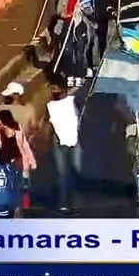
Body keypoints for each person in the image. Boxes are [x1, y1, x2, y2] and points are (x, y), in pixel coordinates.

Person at [45, 80, 82, 213]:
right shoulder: (49, 106)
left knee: (75, 173)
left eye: (56, 88)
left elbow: (79, 115)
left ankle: (76, 203)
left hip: (74, 140)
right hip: (58, 141)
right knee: (62, 174)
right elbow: (48, 125)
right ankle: (63, 203)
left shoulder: (72, 101)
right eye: (52, 88)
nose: (54, 91)